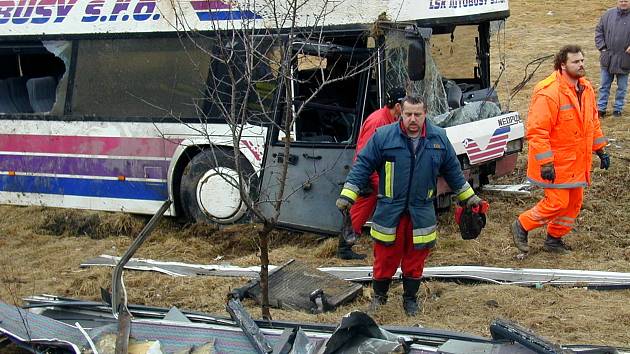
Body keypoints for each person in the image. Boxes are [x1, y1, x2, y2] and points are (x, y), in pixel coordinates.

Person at [335, 95, 484, 316]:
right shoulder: (383, 137)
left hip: (422, 211)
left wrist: (469, 198)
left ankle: (410, 300)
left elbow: (453, 172)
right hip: (389, 210)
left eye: (417, 114)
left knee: (416, 258)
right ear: (400, 113)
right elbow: (363, 165)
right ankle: (379, 297)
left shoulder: (439, 139)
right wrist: (348, 194)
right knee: (385, 257)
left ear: (426, 114)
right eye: (408, 114)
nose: (412, 119)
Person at [511, 45, 610, 255]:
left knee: (574, 203)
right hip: (556, 164)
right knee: (557, 202)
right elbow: (537, 131)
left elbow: (592, 122)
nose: (581, 64)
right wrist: (546, 163)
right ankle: (522, 225)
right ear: (562, 64)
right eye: (576, 61)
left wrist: (600, 149)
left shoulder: (586, 89)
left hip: (576, 161)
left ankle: (554, 239)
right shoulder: (549, 93)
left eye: (582, 60)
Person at [337, 87, 406, 260]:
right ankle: (345, 247)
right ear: (397, 106)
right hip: (370, 174)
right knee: (360, 210)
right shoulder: (378, 121)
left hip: (376, 173)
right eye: (404, 104)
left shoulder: (389, 119)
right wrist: (365, 179)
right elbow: (364, 152)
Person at [595, 0, 630, 118]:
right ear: (617, 1)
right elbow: (599, 32)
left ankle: (618, 109)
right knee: (604, 85)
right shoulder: (607, 14)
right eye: (621, 0)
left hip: (625, 59)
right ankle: (601, 109)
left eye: (626, 0)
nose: (623, 3)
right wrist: (602, 48)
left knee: (622, 87)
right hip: (607, 58)